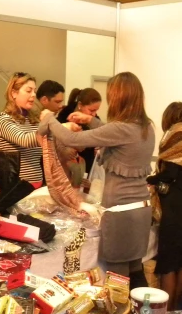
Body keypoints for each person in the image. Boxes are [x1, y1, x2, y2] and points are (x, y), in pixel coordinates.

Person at [39, 72, 155, 287]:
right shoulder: (146, 127)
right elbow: (111, 134)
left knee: (118, 283)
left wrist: (49, 119)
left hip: (122, 215)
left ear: (118, 98)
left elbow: (71, 138)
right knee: (135, 273)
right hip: (141, 211)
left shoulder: (122, 128)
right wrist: (90, 120)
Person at [147, 102, 182, 310]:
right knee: (181, 259)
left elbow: (170, 174)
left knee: (168, 261)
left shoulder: (178, 133)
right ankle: (176, 309)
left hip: (176, 205)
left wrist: (149, 179)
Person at [0, 73, 44, 191]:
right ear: (14, 93)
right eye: (28, 91)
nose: (33, 95)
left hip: (37, 183)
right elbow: (24, 139)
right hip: (16, 187)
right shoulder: (3, 118)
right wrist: (52, 128)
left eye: (34, 91)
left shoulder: (33, 120)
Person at [57, 87, 102, 174]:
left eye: (96, 110)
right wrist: (64, 149)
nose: (94, 114)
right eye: (91, 110)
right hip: (64, 166)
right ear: (80, 105)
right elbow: (54, 138)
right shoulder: (64, 115)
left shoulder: (95, 120)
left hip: (86, 165)